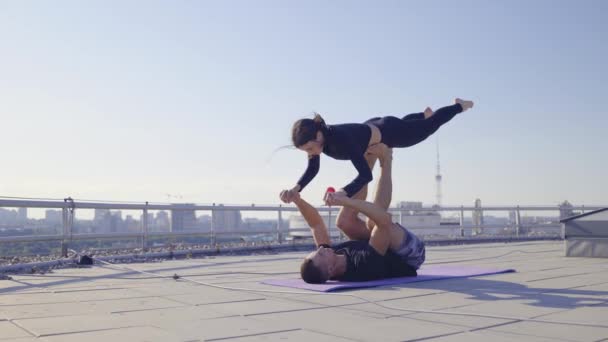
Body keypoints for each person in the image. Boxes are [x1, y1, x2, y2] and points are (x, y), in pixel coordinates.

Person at [293, 144, 425, 283]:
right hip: (411, 255)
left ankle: (368, 162)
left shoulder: (329, 256)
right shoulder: (364, 264)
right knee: (373, 223)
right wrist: (346, 201)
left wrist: (297, 200)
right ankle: (386, 159)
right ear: (331, 270)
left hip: (387, 248)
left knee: (344, 222)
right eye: (321, 254)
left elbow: (316, 224)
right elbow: (384, 220)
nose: (321, 248)